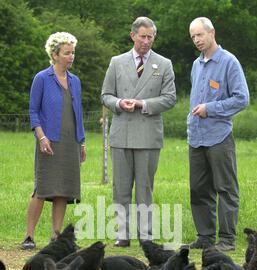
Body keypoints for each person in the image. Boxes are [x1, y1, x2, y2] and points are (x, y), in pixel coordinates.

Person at [101, 17, 176, 247]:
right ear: (132, 35)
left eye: (150, 37)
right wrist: (120, 102)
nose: (146, 41)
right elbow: (105, 95)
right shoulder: (116, 62)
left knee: (145, 188)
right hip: (121, 134)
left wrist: (143, 104)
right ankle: (122, 234)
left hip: (148, 136)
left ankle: (146, 235)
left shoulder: (164, 64)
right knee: (121, 187)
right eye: (142, 36)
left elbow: (170, 98)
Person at [188, 17, 249, 251]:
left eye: (200, 35)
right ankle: (204, 237)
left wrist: (210, 109)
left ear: (212, 32)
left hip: (219, 136)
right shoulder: (196, 64)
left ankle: (227, 240)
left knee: (225, 188)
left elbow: (242, 98)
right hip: (196, 137)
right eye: (193, 36)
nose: (197, 40)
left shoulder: (229, 62)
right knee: (198, 189)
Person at [21, 31, 86, 250]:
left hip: (70, 143)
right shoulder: (42, 78)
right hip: (48, 141)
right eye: (67, 53)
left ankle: (56, 237)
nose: (71, 57)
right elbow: (33, 111)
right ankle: (29, 236)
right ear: (55, 54)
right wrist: (41, 136)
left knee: (64, 191)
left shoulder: (75, 81)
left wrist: (82, 142)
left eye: (73, 53)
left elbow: (78, 112)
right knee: (43, 188)